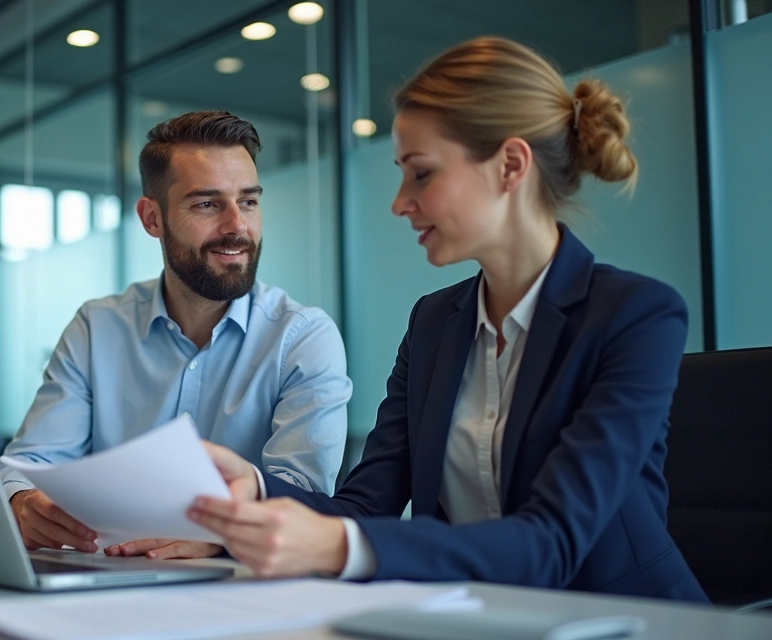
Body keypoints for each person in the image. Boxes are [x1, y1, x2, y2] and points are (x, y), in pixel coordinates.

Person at [187, 37, 709, 602]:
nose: (399, 202)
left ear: (510, 166)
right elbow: (366, 506)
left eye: (421, 174)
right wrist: (254, 488)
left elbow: (554, 542)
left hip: (627, 620)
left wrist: (338, 545)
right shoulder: (435, 322)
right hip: (472, 615)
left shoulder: (635, 316)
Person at [0, 111, 352, 561]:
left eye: (248, 201)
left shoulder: (302, 337)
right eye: (207, 204)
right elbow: (30, 463)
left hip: (243, 584)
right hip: (111, 576)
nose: (237, 226)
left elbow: (303, 493)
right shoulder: (97, 328)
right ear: (152, 218)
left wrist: (221, 535)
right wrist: (24, 501)